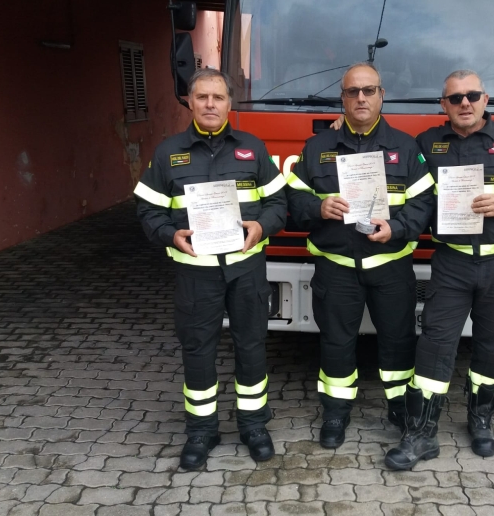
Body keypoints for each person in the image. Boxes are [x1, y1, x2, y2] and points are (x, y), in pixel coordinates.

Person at [384, 69, 494, 470]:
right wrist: (344, 125)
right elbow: (390, 157)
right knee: (434, 344)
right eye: (455, 98)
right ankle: (421, 434)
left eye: (472, 96)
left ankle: (481, 420)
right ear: (443, 105)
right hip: (452, 262)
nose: (465, 103)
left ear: (485, 100)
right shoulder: (426, 144)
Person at [134, 69, 287, 469]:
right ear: (189, 102)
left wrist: (262, 226)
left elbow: (279, 204)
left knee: (251, 344)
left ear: (229, 103)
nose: (210, 104)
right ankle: (202, 430)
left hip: (246, 270)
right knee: (197, 349)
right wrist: (170, 235)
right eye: (202, 97)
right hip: (196, 273)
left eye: (218, 97)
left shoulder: (253, 149)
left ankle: (254, 425)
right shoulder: (168, 153)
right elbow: (148, 210)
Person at [286, 63, 435, 448]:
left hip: (390, 267)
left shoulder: (406, 147)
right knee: (336, 343)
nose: (361, 98)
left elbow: (423, 203)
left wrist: (397, 228)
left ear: (381, 95)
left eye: (369, 90)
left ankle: (400, 411)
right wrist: (318, 208)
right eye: (353, 92)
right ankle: (336, 413)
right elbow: (293, 200)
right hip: (336, 269)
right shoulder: (317, 148)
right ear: (343, 99)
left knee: (399, 341)